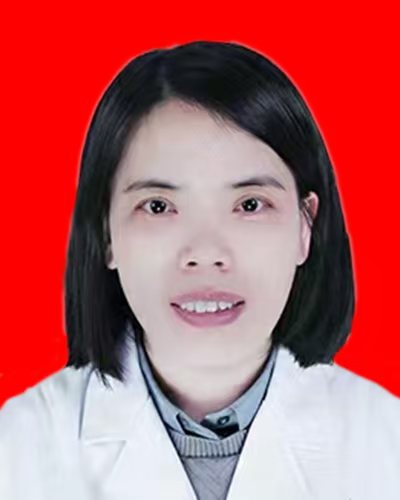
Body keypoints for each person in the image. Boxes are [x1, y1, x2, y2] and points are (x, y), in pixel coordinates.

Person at [1, 40, 399, 500]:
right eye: (158, 206)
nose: (206, 253)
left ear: (305, 227)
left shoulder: (386, 444)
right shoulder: (18, 449)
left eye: (250, 204)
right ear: (106, 234)